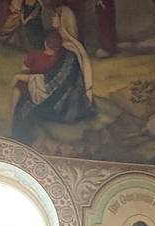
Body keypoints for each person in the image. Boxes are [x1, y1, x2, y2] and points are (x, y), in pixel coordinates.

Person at [10, 2, 94, 146]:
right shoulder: (60, 44)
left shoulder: (70, 51)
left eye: (56, 16)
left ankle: (21, 144)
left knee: (26, 107)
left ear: (63, 21)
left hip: (66, 103)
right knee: (24, 99)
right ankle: (18, 141)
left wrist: (25, 78)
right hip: (58, 92)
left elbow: (59, 80)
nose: (53, 18)